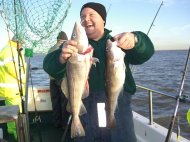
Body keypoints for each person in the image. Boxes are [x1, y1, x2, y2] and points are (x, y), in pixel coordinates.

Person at [43, 2, 154, 142]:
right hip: (85, 112)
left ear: (103, 20)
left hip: (118, 109)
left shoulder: (116, 44)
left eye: (91, 15)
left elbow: (146, 53)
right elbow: (48, 66)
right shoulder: (72, 48)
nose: (85, 19)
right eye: (82, 16)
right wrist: (60, 58)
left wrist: (136, 40)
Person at [0, 36, 26, 141]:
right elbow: (14, 70)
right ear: (18, 42)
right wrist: (25, 79)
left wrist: (21, 52)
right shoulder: (9, 51)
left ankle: (14, 135)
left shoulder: (10, 49)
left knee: (12, 117)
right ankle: (18, 138)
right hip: (13, 91)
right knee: (15, 117)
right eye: (22, 43)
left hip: (11, 91)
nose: (22, 45)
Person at [47, 31, 70, 128]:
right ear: (65, 39)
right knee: (64, 102)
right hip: (62, 79)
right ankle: (65, 125)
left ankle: (56, 123)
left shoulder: (51, 49)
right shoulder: (65, 48)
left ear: (57, 39)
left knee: (55, 101)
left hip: (52, 80)